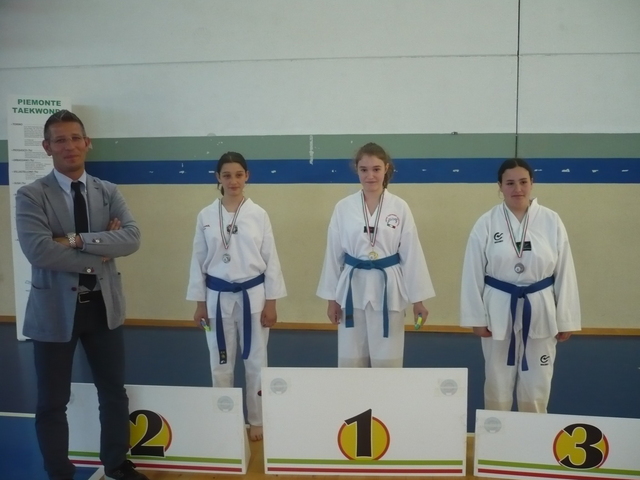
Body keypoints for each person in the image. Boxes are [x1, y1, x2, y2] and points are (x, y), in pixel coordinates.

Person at [15, 110, 146, 480]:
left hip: (104, 307)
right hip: (54, 311)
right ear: (47, 147)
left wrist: (74, 240)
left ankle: (116, 464)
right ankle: (59, 472)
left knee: (113, 392)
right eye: (60, 140)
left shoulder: (108, 191)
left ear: (87, 143)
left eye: (75, 138)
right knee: (52, 400)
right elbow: (39, 251)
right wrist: (102, 249)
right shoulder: (31, 195)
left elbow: (131, 238)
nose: (69, 146)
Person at [460, 158, 581, 413]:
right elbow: (472, 271)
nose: (518, 189)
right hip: (498, 307)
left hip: (540, 307)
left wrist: (566, 318)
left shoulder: (551, 220)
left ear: (532, 183)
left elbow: (565, 270)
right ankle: (495, 433)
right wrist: (475, 317)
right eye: (510, 183)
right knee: (497, 381)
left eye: (523, 182)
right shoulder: (486, 222)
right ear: (500, 186)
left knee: (538, 382)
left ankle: (532, 435)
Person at [187, 152, 287, 442]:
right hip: (216, 296)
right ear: (218, 178)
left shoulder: (258, 214)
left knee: (257, 361)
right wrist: (199, 304)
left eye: (239, 175)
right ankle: (225, 419)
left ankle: (257, 419)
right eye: (227, 175)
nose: (233, 181)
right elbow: (198, 260)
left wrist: (272, 302)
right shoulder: (206, 215)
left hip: (253, 295)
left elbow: (271, 259)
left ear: (247, 177)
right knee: (219, 362)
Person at [317, 142, 435, 367]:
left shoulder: (400, 207)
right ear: (357, 170)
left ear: (386, 169)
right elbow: (333, 254)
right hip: (352, 289)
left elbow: (412, 254)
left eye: (376, 169)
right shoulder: (343, 207)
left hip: (388, 290)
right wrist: (332, 300)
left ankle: (386, 391)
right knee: (351, 362)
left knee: (387, 362)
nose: (370, 176)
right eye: (364, 170)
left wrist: (418, 301)